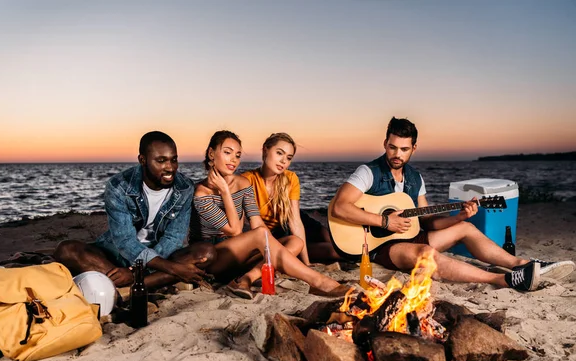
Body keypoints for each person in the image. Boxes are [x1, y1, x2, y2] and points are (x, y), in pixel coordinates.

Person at [330, 117, 575, 291]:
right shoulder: (368, 172)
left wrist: (458, 217)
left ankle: (523, 265)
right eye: (393, 147)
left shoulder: (415, 177)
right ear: (385, 144)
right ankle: (499, 280)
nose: (397, 154)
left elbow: (426, 220)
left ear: (414, 149)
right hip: (379, 246)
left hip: (410, 235)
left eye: (404, 149)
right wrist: (385, 220)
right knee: (426, 254)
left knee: (466, 229)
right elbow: (340, 207)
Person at [189, 130, 349, 299]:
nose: (233, 160)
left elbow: (257, 223)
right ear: (211, 154)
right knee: (260, 235)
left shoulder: (243, 183)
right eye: (227, 152)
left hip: (240, 258)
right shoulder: (201, 193)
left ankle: (247, 278)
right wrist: (225, 192)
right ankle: (319, 282)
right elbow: (235, 230)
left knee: (294, 241)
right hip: (213, 260)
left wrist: (273, 249)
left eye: (237, 155)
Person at [54, 131, 215, 290]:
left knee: (207, 253)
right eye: (161, 161)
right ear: (142, 160)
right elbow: (124, 241)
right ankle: (154, 281)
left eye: (174, 160)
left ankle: (129, 286)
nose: (170, 168)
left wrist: (136, 271)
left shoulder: (184, 187)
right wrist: (170, 269)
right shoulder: (118, 186)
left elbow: (174, 238)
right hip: (118, 255)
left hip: (161, 254)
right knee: (66, 250)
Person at [241, 133, 341, 264]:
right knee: (333, 252)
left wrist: (307, 263)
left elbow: (295, 221)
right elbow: (245, 226)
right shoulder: (246, 180)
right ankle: (296, 253)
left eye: (288, 158)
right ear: (265, 150)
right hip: (275, 235)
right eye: (279, 153)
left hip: (291, 222)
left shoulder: (291, 178)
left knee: (332, 240)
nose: (284, 161)